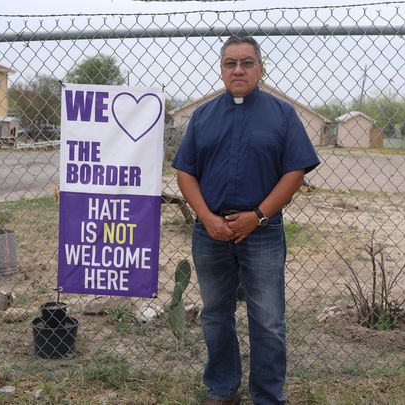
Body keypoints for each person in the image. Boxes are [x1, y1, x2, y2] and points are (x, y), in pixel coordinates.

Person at [171, 36, 320, 405]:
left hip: (262, 231)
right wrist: (206, 218)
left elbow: (295, 172)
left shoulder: (282, 115)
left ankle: (268, 396)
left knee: (268, 320)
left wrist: (257, 216)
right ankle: (222, 389)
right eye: (230, 63)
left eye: (247, 62)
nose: (238, 69)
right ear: (221, 69)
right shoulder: (203, 116)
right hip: (211, 232)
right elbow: (185, 173)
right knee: (216, 314)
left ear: (260, 68)